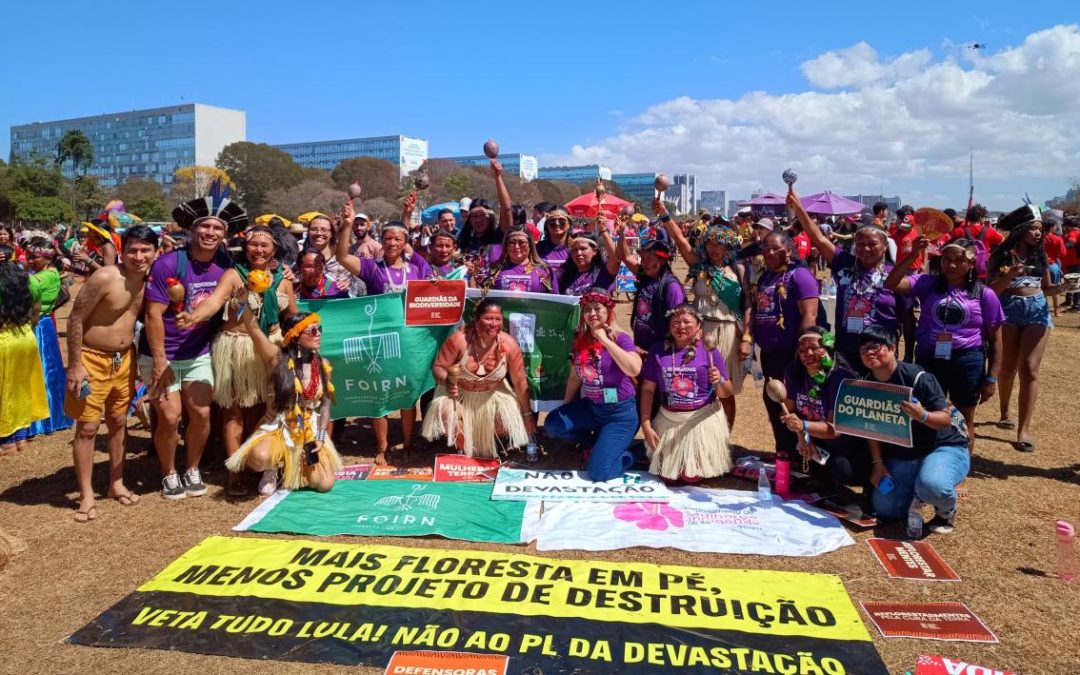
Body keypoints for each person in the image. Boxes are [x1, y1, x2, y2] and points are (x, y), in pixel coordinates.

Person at [140, 180, 246, 500]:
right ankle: (168, 472)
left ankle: (192, 468)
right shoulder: (168, 263)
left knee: (200, 414)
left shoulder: (226, 265)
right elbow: (153, 315)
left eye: (217, 228)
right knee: (170, 417)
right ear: (192, 229)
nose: (210, 232)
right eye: (205, 226)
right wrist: (160, 360)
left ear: (224, 234)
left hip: (198, 351)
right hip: (161, 353)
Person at [176, 225, 299, 495]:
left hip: (270, 348)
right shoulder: (233, 276)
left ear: (274, 249)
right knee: (233, 411)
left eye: (265, 245)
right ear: (246, 247)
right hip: (235, 347)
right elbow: (213, 302)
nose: (259, 250)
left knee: (263, 409)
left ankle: (257, 463)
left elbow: (293, 317)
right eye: (254, 244)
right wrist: (194, 316)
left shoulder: (284, 280)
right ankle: (235, 471)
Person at [64, 225, 159, 521]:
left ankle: (115, 483)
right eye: (132, 250)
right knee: (88, 427)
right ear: (122, 251)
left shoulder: (152, 280)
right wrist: (75, 364)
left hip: (124, 359)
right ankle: (86, 494)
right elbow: (75, 318)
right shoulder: (106, 277)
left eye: (145, 250)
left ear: (156, 252)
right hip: (91, 358)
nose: (139, 256)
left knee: (118, 421)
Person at [334, 206, 431, 463]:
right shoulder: (371, 268)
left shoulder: (417, 267)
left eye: (398, 239)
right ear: (381, 241)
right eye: (387, 238)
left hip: (409, 340)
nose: (392, 243)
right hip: (380, 341)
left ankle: (408, 443)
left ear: (405, 242)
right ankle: (382, 446)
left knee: (408, 394)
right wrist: (347, 225)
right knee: (380, 393)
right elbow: (342, 256)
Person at [885, 238, 1004, 443]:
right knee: (926, 413)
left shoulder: (985, 294)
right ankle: (930, 456)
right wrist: (913, 255)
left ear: (971, 263)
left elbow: (996, 340)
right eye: (946, 259)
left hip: (967, 360)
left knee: (963, 419)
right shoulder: (927, 283)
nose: (951, 265)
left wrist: (991, 378)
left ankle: (961, 460)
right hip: (929, 357)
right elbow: (891, 283)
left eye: (959, 261)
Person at [860, 325, 970, 534]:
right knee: (886, 510)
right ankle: (918, 489)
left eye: (875, 346)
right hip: (908, 451)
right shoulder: (867, 383)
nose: (869, 352)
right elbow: (871, 428)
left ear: (893, 348)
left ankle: (945, 510)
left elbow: (946, 418)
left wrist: (923, 416)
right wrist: (878, 463)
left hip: (943, 445)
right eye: (864, 349)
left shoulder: (918, 377)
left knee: (933, 485)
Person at [224, 309, 342, 493]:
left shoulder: (323, 365)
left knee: (325, 484)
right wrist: (244, 304)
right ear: (295, 337)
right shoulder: (276, 359)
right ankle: (272, 467)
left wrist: (320, 437)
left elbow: (325, 405)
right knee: (260, 457)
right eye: (312, 330)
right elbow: (254, 330)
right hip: (278, 427)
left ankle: (293, 466)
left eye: (319, 329)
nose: (318, 334)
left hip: (309, 431)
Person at [788, 189, 905, 367]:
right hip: (845, 353)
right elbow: (818, 238)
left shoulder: (894, 275)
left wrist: (908, 352)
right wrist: (799, 208)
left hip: (880, 355)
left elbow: (906, 318)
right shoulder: (844, 263)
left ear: (884, 247)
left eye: (872, 244)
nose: (865, 249)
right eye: (860, 244)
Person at [661, 211, 751, 425]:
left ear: (728, 246)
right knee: (698, 382)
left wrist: (747, 337)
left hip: (729, 332)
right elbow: (680, 240)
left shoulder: (739, 270)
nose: (713, 248)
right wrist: (664, 216)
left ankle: (725, 433)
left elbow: (748, 304)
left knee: (724, 387)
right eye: (710, 243)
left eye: (719, 244)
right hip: (699, 331)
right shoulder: (699, 265)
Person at [545, 289, 642, 481]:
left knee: (599, 473)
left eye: (597, 308)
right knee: (554, 424)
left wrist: (604, 340)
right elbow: (575, 377)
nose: (592, 314)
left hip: (619, 414)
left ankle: (642, 450)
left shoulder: (621, 338)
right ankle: (593, 443)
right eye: (587, 309)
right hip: (592, 407)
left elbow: (634, 369)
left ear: (608, 311)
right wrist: (566, 406)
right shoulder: (581, 341)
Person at [988, 205, 1063, 452]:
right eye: (1033, 228)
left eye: (1040, 229)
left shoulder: (1040, 256)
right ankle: (1004, 412)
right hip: (1008, 309)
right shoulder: (1000, 255)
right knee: (1008, 368)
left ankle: (1024, 431)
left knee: (1029, 369)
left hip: (1037, 310)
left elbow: (1047, 288)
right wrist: (1008, 276)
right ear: (1020, 230)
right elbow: (990, 292)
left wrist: (1063, 288)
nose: (1038, 233)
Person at [422, 298, 534, 458]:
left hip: (491, 394)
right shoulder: (459, 340)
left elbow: (520, 382)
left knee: (507, 414)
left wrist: (527, 415)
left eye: (498, 319)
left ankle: (486, 442)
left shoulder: (509, 345)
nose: (493, 324)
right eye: (488, 318)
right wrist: (447, 381)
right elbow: (438, 367)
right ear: (475, 319)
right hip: (459, 395)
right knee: (448, 413)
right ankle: (463, 447)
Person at [639, 304, 734, 482]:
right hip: (669, 419)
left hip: (700, 420)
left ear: (698, 325)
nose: (681, 326)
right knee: (668, 477)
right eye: (675, 322)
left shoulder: (709, 350)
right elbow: (648, 389)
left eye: (686, 322)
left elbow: (726, 393)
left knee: (690, 477)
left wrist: (719, 380)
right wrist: (646, 425)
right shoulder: (658, 350)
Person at [750, 229, 819, 453]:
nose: (770, 252)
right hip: (769, 354)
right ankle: (783, 453)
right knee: (773, 400)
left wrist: (801, 354)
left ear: (789, 250)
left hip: (790, 353)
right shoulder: (765, 276)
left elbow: (809, 315)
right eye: (766, 248)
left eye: (776, 248)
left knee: (789, 405)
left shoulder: (800, 275)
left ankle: (797, 454)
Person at [778, 327, 868, 492]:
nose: (808, 353)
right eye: (802, 349)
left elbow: (835, 430)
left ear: (828, 348)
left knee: (842, 468)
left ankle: (845, 483)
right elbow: (789, 411)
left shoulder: (840, 377)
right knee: (786, 442)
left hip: (842, 442)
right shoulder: (794, 371)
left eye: (815, 347)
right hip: (812, 435)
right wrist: (803, 438)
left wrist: (803, 426)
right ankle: (820, 479)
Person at [24, 238, 73, 437]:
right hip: (46, 325)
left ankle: (37, 421)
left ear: (47, 258)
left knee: (36, 372)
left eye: (34, 257)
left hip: (35, 325)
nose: (29, 260)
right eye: (28, 256)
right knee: (51, 371)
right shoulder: (53, 274)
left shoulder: (37, 279)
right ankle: (55, 416)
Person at [0, 256, 48, 455]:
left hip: (4, 341)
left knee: (4, 392)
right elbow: (36, 311)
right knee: (21, 389)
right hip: (26, 337)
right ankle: (20, 438)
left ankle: (7, 441)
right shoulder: (27, 279)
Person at [620, 218, 687, 353]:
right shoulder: (644, 275)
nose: (644, 263)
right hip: (640, 347)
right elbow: (625, 256)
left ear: (662, 261)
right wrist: (621, 233)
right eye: (643, 259)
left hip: (660, 351)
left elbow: (678, 322)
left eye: (649, 259)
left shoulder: (671, 287)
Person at [473, 227, 558, 293]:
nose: (517, 247)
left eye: (522, 242)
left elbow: (555, 300)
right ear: (506, 246)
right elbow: (481, 297)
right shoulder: (494, 270)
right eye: (512, 242)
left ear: (530, 245)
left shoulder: (544, 270)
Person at [558, 229, 620, 296]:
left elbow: (615, 259)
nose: (578, 253)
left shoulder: (603, 272)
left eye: (583, 248)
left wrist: (603, 230)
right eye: (575, 250)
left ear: (594, 251)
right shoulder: (565, 275)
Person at [537, 207, 573, 274]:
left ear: (569, 224)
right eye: (552, 221)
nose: (557, 223)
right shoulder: (537, 248)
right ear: (547, 225)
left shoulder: (575, 247)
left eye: (562, 221)